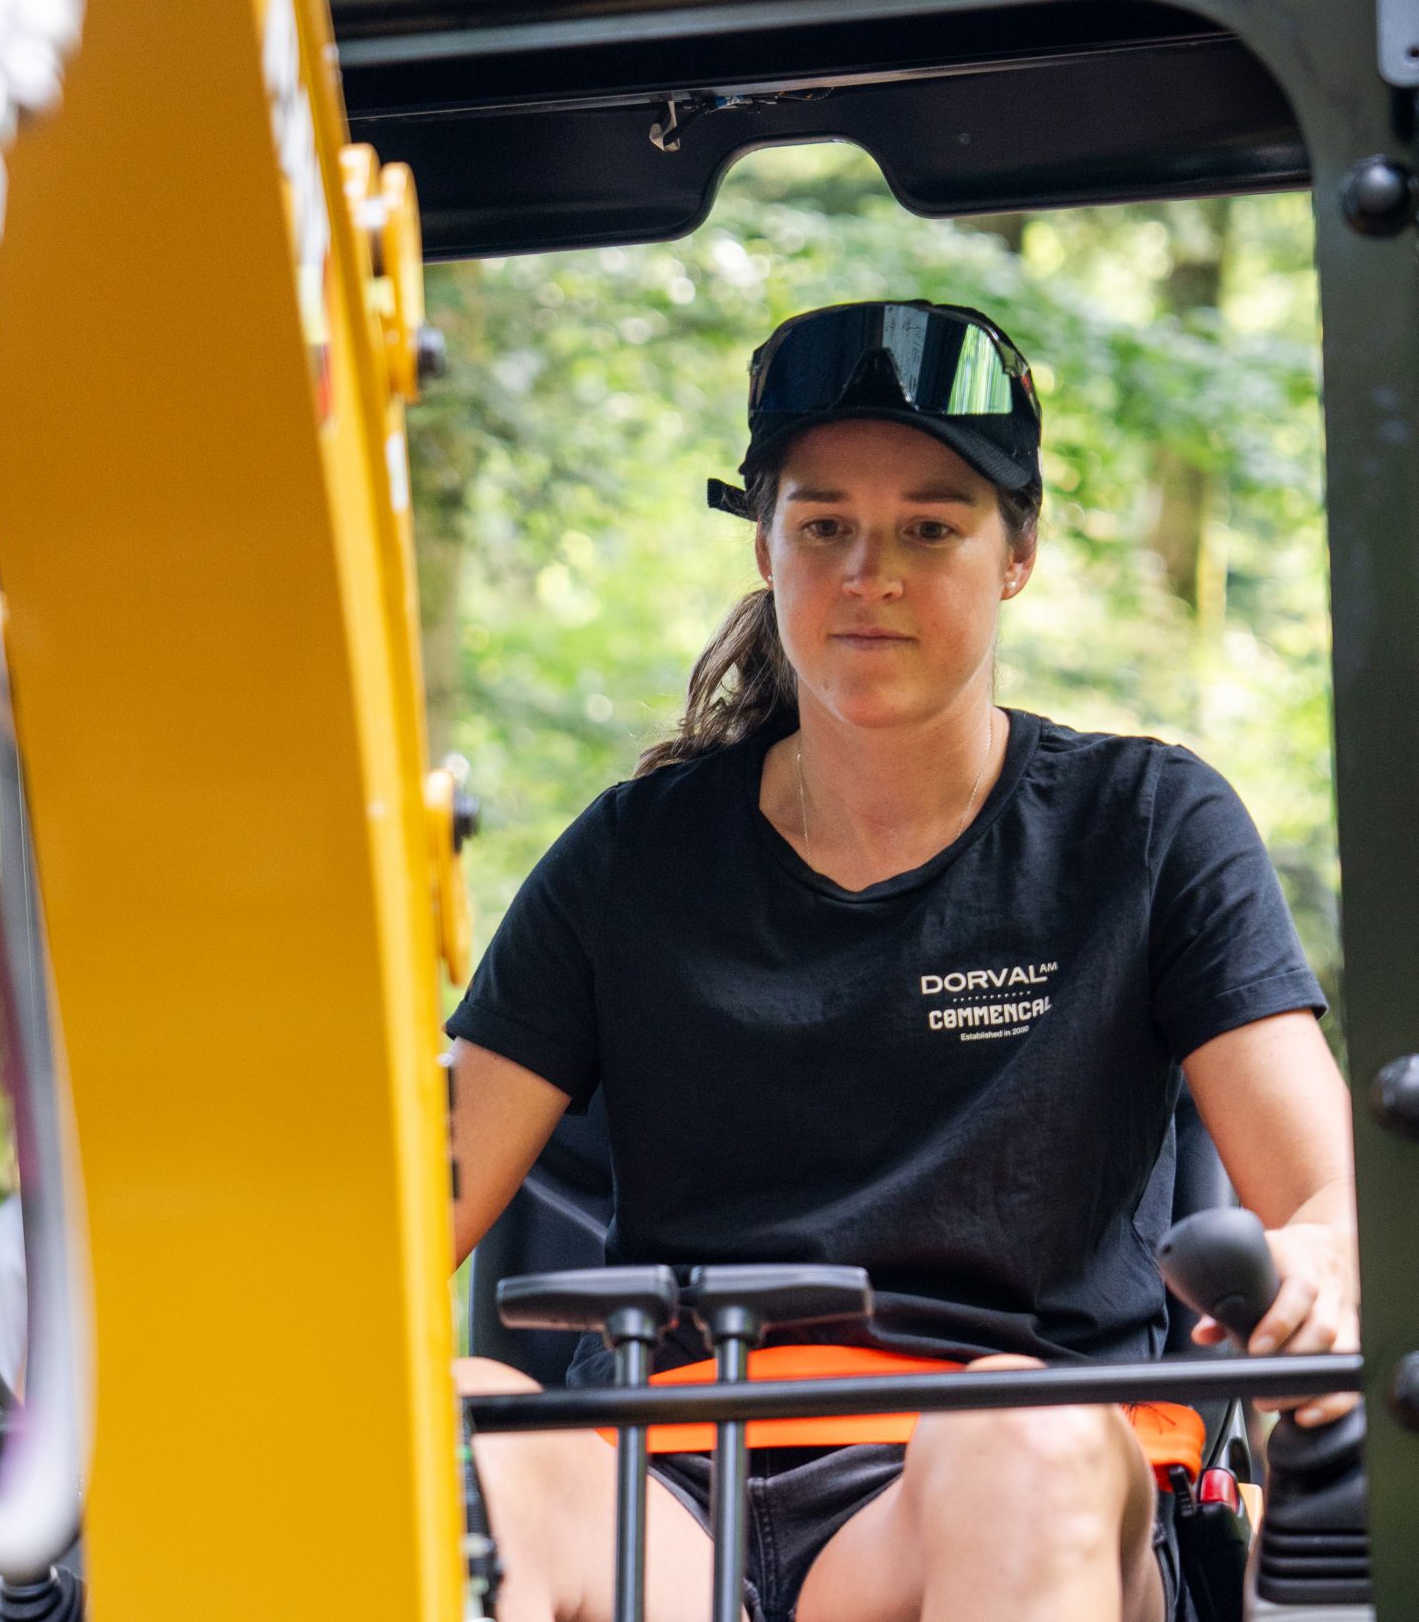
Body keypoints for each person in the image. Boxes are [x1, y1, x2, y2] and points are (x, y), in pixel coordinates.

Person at [445, 300, 1358, 1622]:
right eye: (825, 526)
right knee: (467, 1428)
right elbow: (399, 1216)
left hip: (992, 1468)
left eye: (932, 526)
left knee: (1018, 1433)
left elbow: (1328, 1201)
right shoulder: (630, 861)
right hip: (669, 1496)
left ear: (1018, 554)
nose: (870, 569)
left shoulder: (1145, 831)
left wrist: (1324, 1260)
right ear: (767, 549)